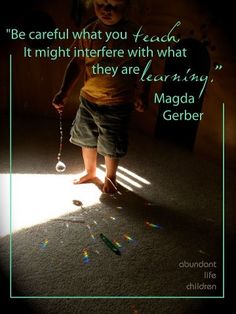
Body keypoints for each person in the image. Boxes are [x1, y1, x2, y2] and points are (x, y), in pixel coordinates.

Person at [52, 0, 150, 193]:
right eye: (101, 4)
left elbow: (145, 65)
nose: (107, 10)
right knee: (86, 138)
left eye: (114, 5)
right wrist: (64, 91)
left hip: (118, 102)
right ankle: (90, 171)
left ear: (127, 6)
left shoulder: (135, 34)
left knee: (111, 143)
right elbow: (78, 62)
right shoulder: (89, 32)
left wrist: (143, 92)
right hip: (89, 99)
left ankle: (111, 176)